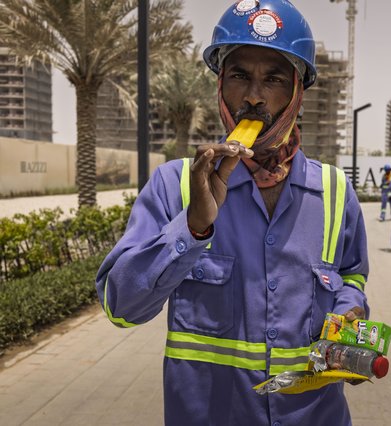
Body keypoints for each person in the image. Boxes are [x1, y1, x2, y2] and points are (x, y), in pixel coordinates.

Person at [95, 1, 369, 424]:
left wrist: (351, 314)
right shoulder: (176, 185)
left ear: (296, 91)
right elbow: (120, 306)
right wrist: (192, 227)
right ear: (221, 85)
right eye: (240, 75)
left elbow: (352, 276)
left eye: (273, 79)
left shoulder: (334, 190)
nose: (254, 96)